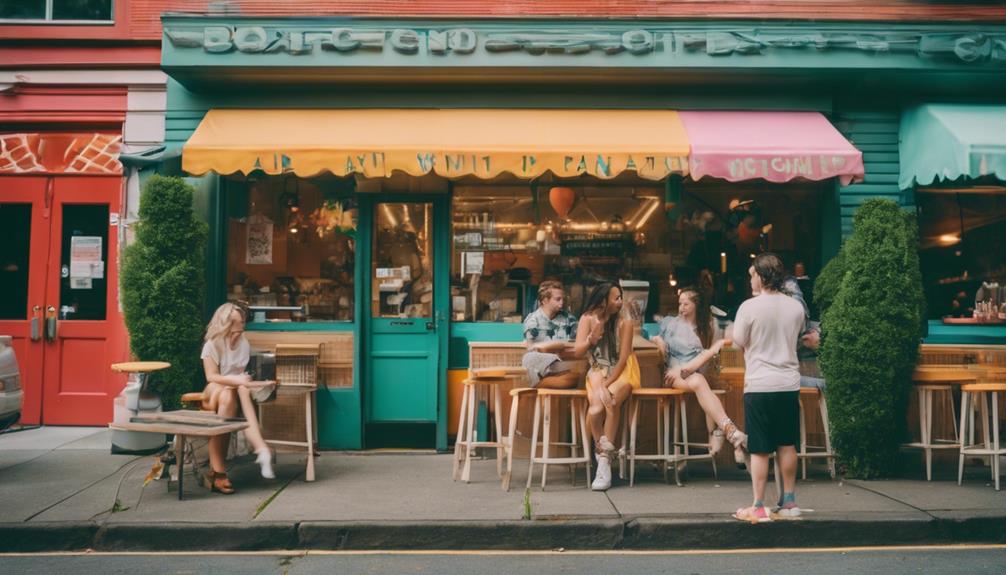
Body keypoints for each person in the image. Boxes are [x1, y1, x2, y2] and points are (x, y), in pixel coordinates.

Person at [730, 253, 806, 522]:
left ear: (761, 277)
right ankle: (789, 502)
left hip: (760, 384)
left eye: (752, 275)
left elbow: (738, 341)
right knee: (787, 443)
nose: (750, 280)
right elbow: (798, 334)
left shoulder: (749, 308)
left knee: (760, 448)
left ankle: (759, 505)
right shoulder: (795, 308)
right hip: (788, 383)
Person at [650, 288, 747, 466]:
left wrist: (717, 344)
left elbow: (716, 352)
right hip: (672, 374)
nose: (681, 307)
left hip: (696, 373)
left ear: (695, 305)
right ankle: (730, 434)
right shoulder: (670, 324)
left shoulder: (706, 327)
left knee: (702, 382)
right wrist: (658, 342)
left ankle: (729, 434)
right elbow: (660, 350)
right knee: (700, 382)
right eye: (680, 303)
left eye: (686, 303)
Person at [200, 302, 276, 494]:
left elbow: (242, 377)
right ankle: (224, 468)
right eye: (238, 320)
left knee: (238, 391)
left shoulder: (243, 343)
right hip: (213, 389)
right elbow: (212, 377)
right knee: (230, 392)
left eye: (242, 319)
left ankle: (220, 471)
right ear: (226, 322)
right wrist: (237, 380)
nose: (242, 322)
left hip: (233, 391)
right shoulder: (213, 344)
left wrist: (259, 384)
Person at [577, 282, 639, 491]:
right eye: (616, 298)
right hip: (596, 369)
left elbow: (623, 361)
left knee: (611, 402)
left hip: (622, 372)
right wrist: (591, 338)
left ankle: (604, 461)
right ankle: (602, 445)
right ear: (603, 301)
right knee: (595, 409)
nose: (620, 301)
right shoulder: (587, 319)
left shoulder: (625, 323)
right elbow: (578, 351)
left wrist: (606, 384)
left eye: (621, 297)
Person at [521, 280, 600, 389]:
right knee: (529, 357)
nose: (562, 302)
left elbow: (577, 343)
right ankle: (544, 382)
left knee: (581, 372)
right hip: (543, 365)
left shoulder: (569, 319)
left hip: (567, 361)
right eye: (557, 299)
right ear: (544, 300)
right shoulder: (533, 320)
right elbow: (532, 348)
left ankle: (542, 385)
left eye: (563, 299)